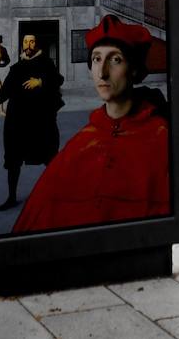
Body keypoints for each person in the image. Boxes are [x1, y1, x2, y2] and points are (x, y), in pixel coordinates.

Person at [13, 16, 169, 232]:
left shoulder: (161, 137)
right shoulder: (81, 142)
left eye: (115, 60)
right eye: (96, 59)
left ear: (134, 70)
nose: (102, 72)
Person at [0, 35, 65, 211]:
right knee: (13, 159)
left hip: (40, 120)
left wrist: (41, 81)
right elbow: (4, 92)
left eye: (32, 41)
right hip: (17, 120)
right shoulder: (17, 68)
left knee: (49, 156)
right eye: (25, 42)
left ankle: (56, 193)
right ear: (22, 45)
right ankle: (12, 197)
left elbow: (59, 79)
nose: (28, 45)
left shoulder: (46, 63)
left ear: (37, 44)